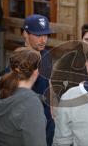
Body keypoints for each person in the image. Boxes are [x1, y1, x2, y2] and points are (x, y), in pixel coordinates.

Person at [0, 47, 47, 146]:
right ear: (36, 72)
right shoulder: (32, 105)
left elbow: (14, 96)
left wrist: (38, 98)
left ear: (12, 67)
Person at [22, 14, 54, 146]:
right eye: (38, 35)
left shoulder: (46, 54)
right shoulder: (18, 61)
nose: (43, 40)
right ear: (25, 34)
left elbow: (49, 81)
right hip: (29, 119)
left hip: (48, 117)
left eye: (46, 35)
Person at [50, 22, 88, 98]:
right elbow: (55, 79)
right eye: (87, 40)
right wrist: (65, 96)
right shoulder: (70, 56)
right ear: (82, 40)